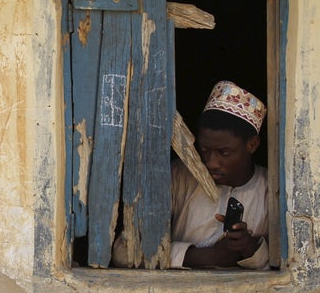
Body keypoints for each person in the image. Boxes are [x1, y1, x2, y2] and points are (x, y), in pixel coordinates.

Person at [112, 80, 269, 269]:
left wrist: (249, 247)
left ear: (252, 145)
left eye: (224, 152)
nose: (210, 162)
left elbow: (289, 263)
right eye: (203, 150)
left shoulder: (271, 189)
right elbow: (123, 252)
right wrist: (204, 257)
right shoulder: (176, 177)